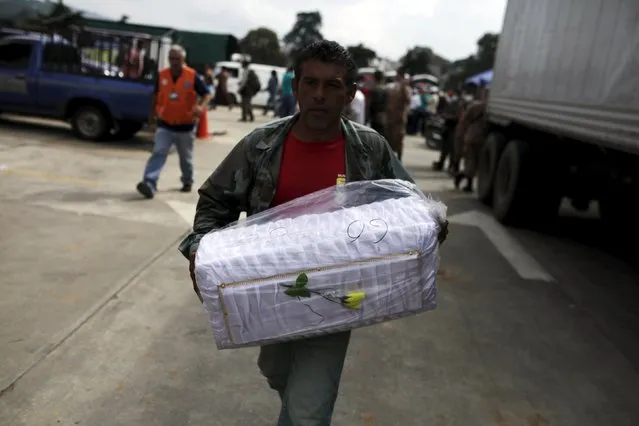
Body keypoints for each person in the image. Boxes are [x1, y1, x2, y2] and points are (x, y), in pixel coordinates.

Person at [179, 40, 447, 426]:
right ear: (295, 87)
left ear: (350, 94)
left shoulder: (368, 149)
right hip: (269, 290)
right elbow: (214, 203)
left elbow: (410, 208)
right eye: (310, 83)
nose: (320, 95)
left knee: (307, 411)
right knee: (277, 372)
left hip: (338, 294)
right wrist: (199, 250)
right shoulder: (261, 145)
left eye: (333, 85)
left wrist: (432, 223)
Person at [136, 45, 211, 199]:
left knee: (186, 158)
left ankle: (187, 180)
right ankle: (149, 183)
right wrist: (151, 114)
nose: (174, 62)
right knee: (158, 153)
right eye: (172, 58)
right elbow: (156, 94)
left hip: (185, 126)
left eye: (178, 59)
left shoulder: (192, 76)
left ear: (184, 59)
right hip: (165, 125)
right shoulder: (162, 75)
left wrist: (200, 107)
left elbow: (207, 94)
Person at [454, 85, 489, 192]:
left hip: (473, 137)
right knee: (472, 162)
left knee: (473, 162)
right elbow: (465, 120)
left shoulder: (476, 106)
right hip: (475, 137)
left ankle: (467, 182)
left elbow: (464, 121)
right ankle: (461, 177)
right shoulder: (482, 107)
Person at [384, 71, 412, 161]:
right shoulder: (392, 87)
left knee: (399, 139)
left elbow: (408, 100)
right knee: (389, 139)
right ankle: (390, 159)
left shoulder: (407, 89)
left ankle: (399, 159)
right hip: (390, 118)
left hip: (400, 120)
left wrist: (403, 87)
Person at [433, 90, 462, 173]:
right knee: (446, 149)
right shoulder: (452, 103)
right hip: (449, 129)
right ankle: (443, 164)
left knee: (451, 149)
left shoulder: (456, 104)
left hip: (453, 129)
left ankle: (451, 166)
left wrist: (447, 116)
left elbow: (456, 117)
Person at [367, 70, 387, 135]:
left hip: (375, 118)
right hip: (383, 117)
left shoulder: (373, 90)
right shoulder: (386, 89)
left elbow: (371, 105)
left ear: (374, 78)